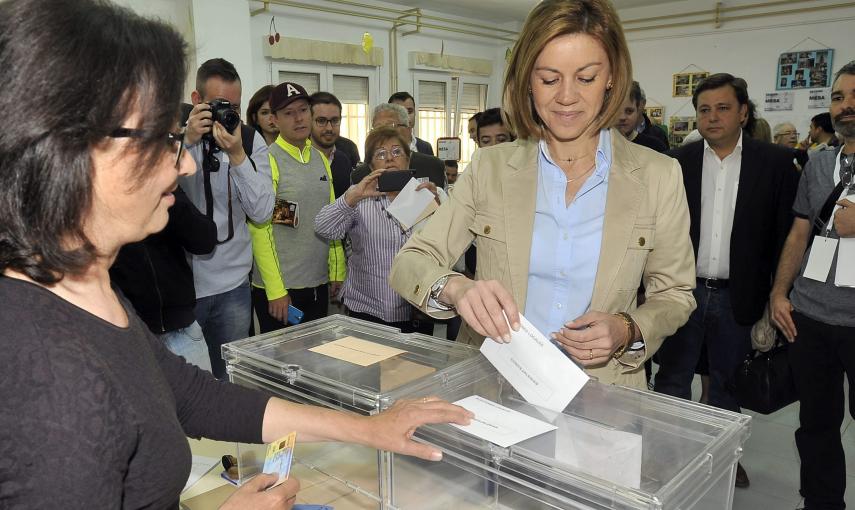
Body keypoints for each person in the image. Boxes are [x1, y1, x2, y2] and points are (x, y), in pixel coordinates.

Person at [0, 1, 472, 508]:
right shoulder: (41, 373)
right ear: (69, 153)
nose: (181, 164)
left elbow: (193, 396)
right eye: (160, 139)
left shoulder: (86, 289)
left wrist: (370, 429)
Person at [389, 0, 696, 389]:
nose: (566, 97)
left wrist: (626, 328)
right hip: (492, 383)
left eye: (585, 78)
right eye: (549, 79)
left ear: (612, 78)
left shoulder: (658, 176)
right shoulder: (490, 168)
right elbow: (411, 261)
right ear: (527, 81)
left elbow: (675, 293)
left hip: (604, 393)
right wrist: (457, 288)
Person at [652, 73, 799, 489]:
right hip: (683, 293)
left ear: (743, 112)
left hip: (741, 295)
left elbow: (785, 234)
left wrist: (777, 294)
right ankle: (667, 456)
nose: (712, 117)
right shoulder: (678, 163)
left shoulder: (772, 164)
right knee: (673, 378)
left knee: (727, 385)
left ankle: (721, 460)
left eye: (723, 108)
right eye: (704, 109)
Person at [770, 61, 855, 510]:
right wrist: (779, 293)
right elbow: (800, 232)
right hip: (812, 316)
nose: (846, 107)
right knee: (817, 424)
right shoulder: (820, 163)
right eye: (839, 98)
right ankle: (821, 503)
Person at [181, 58, 275, 379]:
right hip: (185, 288)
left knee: (228, 381)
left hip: (233, 285)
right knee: (189, 384)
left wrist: (237, 156)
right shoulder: (176, 140)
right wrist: (187, 142)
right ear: (196, 101)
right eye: (217, 105)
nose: (226, 113)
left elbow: (262, 211)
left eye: (233, 105)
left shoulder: (249, 140)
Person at [315, 127, 439, 330]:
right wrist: (352, 198)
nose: (390, 158)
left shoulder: (428, 194)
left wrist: (439, 208)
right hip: (367, 310)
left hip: (416, 309)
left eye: (397, 151)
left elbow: (453, 251)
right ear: (371, 165)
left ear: (408, 160)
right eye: (381, 154)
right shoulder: (360, 198)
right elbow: (323, 228)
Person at [248, 82, 346, 333]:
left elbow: (330, 216)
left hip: (317, 284)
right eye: (289, 113)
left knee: (314, 363)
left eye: (303, 110)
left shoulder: (320, 159)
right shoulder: (267, 160)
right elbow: (260, 229)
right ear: (275, 120)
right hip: (281, 290)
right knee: (282, 369)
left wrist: (337, 269)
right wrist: (276, 290)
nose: (299, 118)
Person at [110, 187, 217, 371]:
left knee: (208, 398)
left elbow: (204, 240)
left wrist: (165, 192)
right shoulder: (93, 188)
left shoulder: (161, 182)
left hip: (182, 330)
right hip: (128, 335)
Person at [351, 103, 447, 189]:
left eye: (390, 125)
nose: (383, 132)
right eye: (377, 127)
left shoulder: (433, 166)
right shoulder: (360, 175)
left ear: (407, 129)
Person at [310, 91, 354, 198]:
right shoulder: (294, 161)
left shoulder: (344, 160)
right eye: (321, 121)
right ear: (308, 121)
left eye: (335, 120)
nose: (329, 128)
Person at [615, 81, 667, 153]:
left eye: (629, 111)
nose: (622, 117)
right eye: (616, 111)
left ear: (639, 106)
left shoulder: (655, 144)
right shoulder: (600, 143)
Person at [390, 91, 433, 155]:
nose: (406, 117)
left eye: (409, 111)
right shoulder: (381, 148)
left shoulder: (426, 147)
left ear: (415, 113)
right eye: (400, 112)